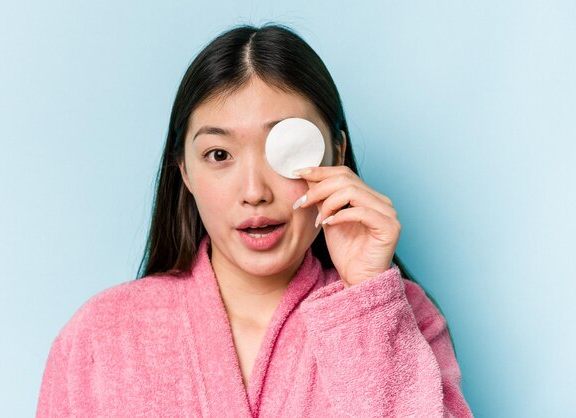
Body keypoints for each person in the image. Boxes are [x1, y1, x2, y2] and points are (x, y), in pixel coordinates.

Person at [37, 24, 473, 417]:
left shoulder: (404, 316)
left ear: (336, 155)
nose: (253, 191)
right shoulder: (98, 336)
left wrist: (366, 304)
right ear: (184, 171)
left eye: (285, 151)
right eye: (219, 155)